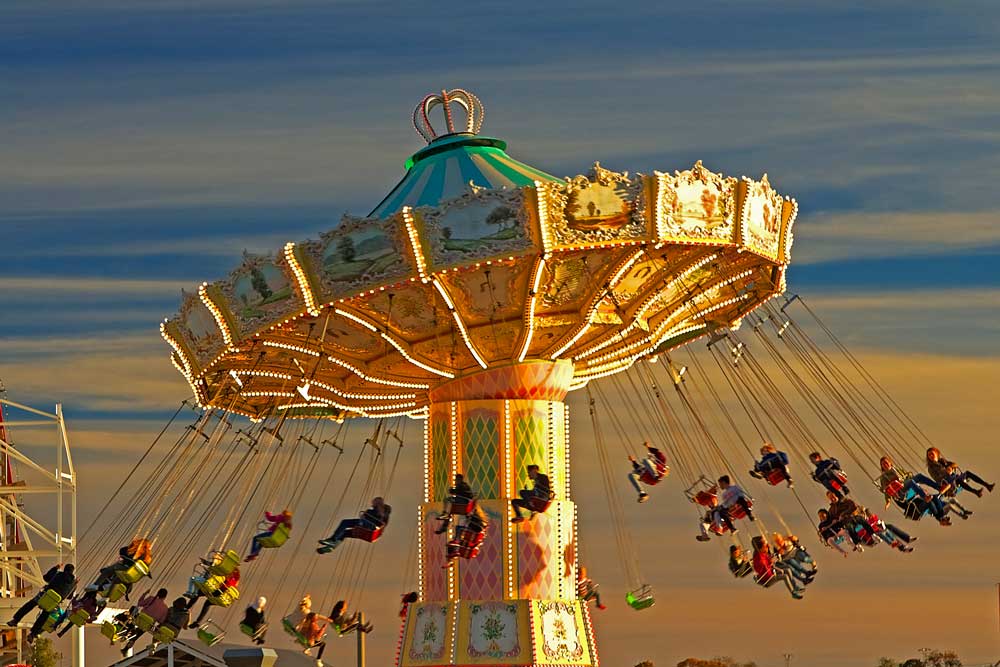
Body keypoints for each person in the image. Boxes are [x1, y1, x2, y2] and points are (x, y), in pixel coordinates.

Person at [878, 456, 955, 525]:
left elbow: (906, 476)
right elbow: (886, 491)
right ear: (882, 467)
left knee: (919, 476)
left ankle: (939, 488)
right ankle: (925, 497)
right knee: (911, 482)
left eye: (886, 462)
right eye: (883, 464)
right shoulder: (884, 477)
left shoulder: (896, 469)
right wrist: (887, 501)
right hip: (899, 492)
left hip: (906, 485)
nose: (885, 464)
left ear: (890, 462)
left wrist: (912, 480)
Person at [8, 564, 76, 635]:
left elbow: (46, 578)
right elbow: (69, 597)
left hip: (45, 595)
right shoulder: (73, 584)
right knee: (44, 615)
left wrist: (55, 568)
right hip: (53, 602)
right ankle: (33, 634)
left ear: (65, 569)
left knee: (30, 605)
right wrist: (74, 585)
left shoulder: (58, 574)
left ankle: (15, 620)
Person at [318, 497, 392, 553]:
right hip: (368, 529)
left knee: (345, 523)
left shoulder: (381, 511)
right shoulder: (375, 512)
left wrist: (366, 515)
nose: (372, 504)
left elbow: (377, 518)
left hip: (369, 526)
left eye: (373, 502)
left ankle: (332, 540)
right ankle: (332, 546)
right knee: (344, 533)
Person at [926, 447, 994, 497]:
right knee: (957, 480)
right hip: (947, 483)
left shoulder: (942, 461)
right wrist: (946, 473)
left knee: (967, 473)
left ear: (936, 454)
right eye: (929, 455)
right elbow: (936, 479)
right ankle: (976, 492)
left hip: (953, 477)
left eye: (932, 454)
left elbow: (954, 464)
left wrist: (951, 467)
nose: (931, 456)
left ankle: (987, 485)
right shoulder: (931, 467)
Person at [120, 588, 170, 655]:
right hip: (147, 625)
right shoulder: (165, 608)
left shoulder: (151, 598)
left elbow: (140, 603)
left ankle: (127, 632)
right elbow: (161, 621)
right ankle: (126, 647)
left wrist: (145, 593)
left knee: (133, 613)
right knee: (137, 635)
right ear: (165, 596)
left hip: (139, 619)